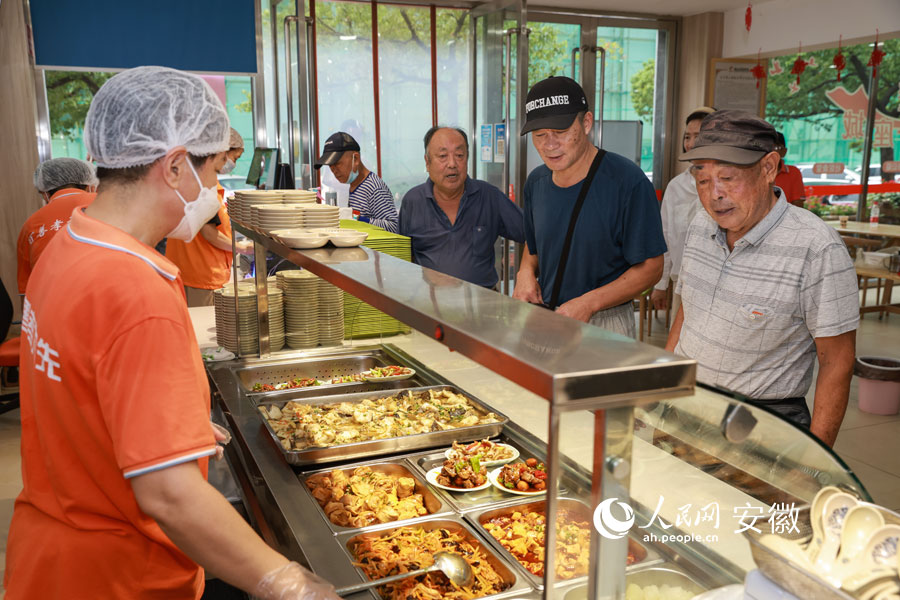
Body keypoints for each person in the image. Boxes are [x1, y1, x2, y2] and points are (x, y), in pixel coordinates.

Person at [5, 66, 338, 600]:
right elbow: (170, 496)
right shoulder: (138, 289)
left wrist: (163, 429)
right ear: (176, 166)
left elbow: (80, 390)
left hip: (51, 554)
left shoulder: (69, 244)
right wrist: (288, 581)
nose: (214, 191)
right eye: (212, 175)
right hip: (122, 573)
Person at [667, 110, 858, 447]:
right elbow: (688, 311)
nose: (714, 195)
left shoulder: (817, 248)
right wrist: (662, 388)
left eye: (727, 178)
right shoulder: (700, 225)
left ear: (769, 168)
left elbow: (837, 363)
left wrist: (815, 461)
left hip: (760, 428)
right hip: (686, 408)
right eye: (703, 181)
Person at [512, 76, 666, 338]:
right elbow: (534, 243)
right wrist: (525, 272)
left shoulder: (627, 181)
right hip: (548, 315)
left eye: (560, 132)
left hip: (605, 320)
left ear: (586, 123)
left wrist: (589, 303)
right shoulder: (536, 182)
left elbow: (652, 267)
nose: (549, 145)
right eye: (539, 135)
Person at [399, 126, 525, 289]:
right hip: (430, 304)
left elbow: (534, 236)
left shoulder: (488, 196)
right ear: (427, 162)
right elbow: (400, 258)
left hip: (483, 303)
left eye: (459, 155)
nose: (452, 164)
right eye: (443, 156)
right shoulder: (413, 201)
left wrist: (526, 273)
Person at [166, 127, 252, 306]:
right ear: (220, 152)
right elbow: (209, 233)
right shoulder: (204, 186)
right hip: (202, 275)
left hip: (188, 270)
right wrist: (243, 247)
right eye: (233, 158)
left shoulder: (192, 180)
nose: (230, 164)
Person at [651, 107, 716, 314]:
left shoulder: (728, 186)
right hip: (683, 282)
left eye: (699, 136)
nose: (691, 143)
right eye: (688, 137)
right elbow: (666, 237)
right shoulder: (676, 187)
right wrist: (661, 284)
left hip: (718, 284)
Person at [17, 158, 98, 294]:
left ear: (45, 193)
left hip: (55, 305)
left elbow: (26, 291)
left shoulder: (30, 225)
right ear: (89, 185)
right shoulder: (107, 205)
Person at [315, 131, 399, 232]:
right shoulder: (354, 185)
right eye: (330, 166)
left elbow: (394, 226)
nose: (334, 171)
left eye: (337, 164)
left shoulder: (374, 187)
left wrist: (355, 219)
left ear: (356, 159)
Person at [773, 131, 806, 208]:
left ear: (784, 151)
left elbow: (798, 205)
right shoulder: (756, 171)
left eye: (776, 147)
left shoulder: (793, 172)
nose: (771, 152)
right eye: (768, 147)